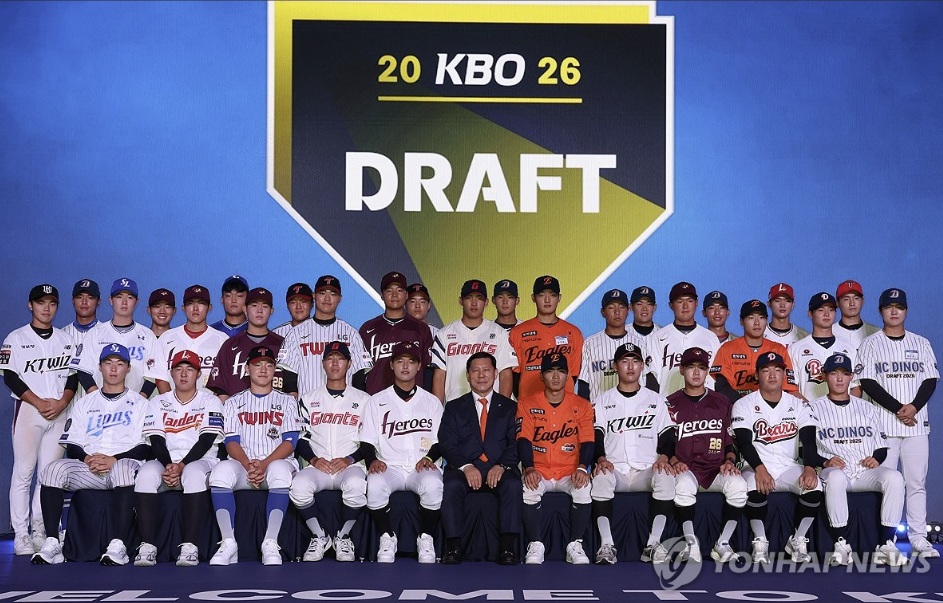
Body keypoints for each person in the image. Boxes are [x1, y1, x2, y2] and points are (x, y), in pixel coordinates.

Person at [31, 344, 150, 566]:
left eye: (119, 364)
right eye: (108, 363)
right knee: (52, 470)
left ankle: (118, 545)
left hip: (123, 466)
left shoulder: (141, 404)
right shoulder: (85, 403)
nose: (113, 369)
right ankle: (52, 542)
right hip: (91, 467)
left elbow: (147, 446)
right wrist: (86, 458)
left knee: (123, 470)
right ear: (100, 367)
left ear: (128, 368)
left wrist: (114, 459)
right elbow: (72, 444)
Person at [857, 288, 940, 558]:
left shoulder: (921, 342)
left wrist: (913, 407)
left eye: (899, 307)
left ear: (906, 310)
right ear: (880, 310)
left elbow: (930, 380)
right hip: (884, 428)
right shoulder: (870, 343)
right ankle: (887, 539)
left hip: (916, 425)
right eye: (889, 307)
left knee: (916, 483)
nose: (894, 311)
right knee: (887, 485)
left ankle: (919, 538)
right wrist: (899, 409)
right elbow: (868, 382)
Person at [809, 353, 906, 566]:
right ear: (824, 376)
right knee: (835, 478)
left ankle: (886, 544)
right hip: (835, 470)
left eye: (845, 373)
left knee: (895, 478)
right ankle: (841, 544)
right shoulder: (812, 408)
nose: (839, 378)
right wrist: (824, 462)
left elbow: (881, 446)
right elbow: (806, 449)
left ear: (852, 376)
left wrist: (876, 459)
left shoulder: (867, 408)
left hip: (864, 471)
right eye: (833, 373)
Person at [2, 284, 78, 554]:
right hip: (28, 411)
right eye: (41, 302)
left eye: (52, 303)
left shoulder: (65, 339)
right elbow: (10, 377)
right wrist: (38, 402)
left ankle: (40, 529)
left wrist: (62, 402)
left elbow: (73, 376)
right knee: (23, 473)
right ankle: (21, 533)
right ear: (30, 305)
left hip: (58, 411)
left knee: (48, 475)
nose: (46, 308)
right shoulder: (15, 338)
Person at [208, 346, 301, 566]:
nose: (263, 369)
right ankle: (229, 542)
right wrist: (248, 464)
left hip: (275, 464)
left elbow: (290, 441)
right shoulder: (233, 402)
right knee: (220, 472)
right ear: (247, 369)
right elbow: (231, 441)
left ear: (275, 370)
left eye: (269, 365)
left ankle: (270, 542)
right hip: (245, 466)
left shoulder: (288, 401)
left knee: (279, 470)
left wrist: (265, 464)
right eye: (257, 364)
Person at [133, 349, 224, 566]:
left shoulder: (211, 401)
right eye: (178, 369)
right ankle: (148, 545)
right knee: (145, 474)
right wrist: (169, 465)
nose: (183, 374)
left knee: (193, 474)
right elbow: (156, 440)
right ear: (171, 373)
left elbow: (206, 440)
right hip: (167, 460)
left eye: (189, 369)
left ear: (199, 374)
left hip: (202, 460)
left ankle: (190, 546)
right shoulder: (158, 402)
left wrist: (181, 465)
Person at [732, 352, 822, 564]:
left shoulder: (798, 404)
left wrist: (810, 468)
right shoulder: (743, 404)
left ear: (784, 374)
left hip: (788, 465)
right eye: (766, 370)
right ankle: (760, 540)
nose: (772, 375)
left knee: (815, 486)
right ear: (757, 375)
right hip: (755, 465)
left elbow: (809, 441)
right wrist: (759, 468)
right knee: (752, 485)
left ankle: (798, 539)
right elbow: (744, 442)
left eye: (777, 370)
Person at [358, 341, 444, 563]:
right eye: (400, 361)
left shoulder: (431, 402)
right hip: (391, 466)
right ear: (391, 365)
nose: (405, 366)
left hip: (420, 465)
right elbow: (366, 440)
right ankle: (387, 536)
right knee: (374, 485)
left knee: (433, 484)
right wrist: (372, 460)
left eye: (411, 361)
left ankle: (425, 537)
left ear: (419, 366)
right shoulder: (376, 401)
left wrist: (429, 457)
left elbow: (441, 441)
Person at [590, 344, 675, 565]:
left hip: (646, 469)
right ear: (615, 366)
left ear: (642, 366)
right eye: (625, 361)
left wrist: (664, 457)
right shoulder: (603, 400)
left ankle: (653, 544)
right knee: (600, 478)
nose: (630, 366)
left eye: (635, 361)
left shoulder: (656, 399)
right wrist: (600, 458)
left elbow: (668, 434)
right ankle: (606, 544)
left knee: (666, 477)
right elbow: (596, 435)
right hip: (615, 469)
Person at [289, 341, 370, 562]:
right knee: (298, 487)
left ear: (349, 364)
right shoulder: (308, 399)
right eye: (330, 359)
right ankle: (319, 535)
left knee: (356, 485)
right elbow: (300, 438)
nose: (335, 363)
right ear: (323, 363)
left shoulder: (364, 400)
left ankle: (343, 536)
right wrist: (314, 459)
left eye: (340, 359)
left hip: (350, 465)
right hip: (319, 465)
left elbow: (370, 440)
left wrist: (350, 459)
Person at [438, 352, 522, 565]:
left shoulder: (510, 407)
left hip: (499, 468)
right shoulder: (454, 407)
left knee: (513, 484)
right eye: (475, 371)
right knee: (451, 484)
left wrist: (502, 466)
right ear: (467, 375)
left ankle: (508, 547)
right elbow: (447, 443)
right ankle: (453, 546)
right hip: (465, 469)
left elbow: (516, 443)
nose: (481, 375)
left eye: (486, 370)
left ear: (495, 373)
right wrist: (466, 466)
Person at [667, 347, 747, 563]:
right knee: (682, 486)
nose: (696, 372)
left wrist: (730, 461)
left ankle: (722, 543)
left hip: (716, 467)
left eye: (701, 367)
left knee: (739, 486)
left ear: (707, 371)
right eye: (691, 367)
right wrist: (673, 460)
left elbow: (730, 440)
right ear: (681, 369)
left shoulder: (722, 402)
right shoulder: (670, 403)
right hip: (686, 467)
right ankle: (691, 544)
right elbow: (665, 442)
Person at [517, 353, 594, 565]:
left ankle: (575, 544)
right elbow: (523, 440)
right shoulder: (527, 404)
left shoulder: (582, 405)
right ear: (541, 376)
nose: (556, 376)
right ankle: (535, 543)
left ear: (568, 375)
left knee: (584, 487)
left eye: (561, 371)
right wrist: (529, 468)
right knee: (529, 488)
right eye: (550, 371)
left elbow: (588, 441)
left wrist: (582, 468)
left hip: (569, 470)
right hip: (540, 469)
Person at [278, 275, 373, 399]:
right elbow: (290, 378)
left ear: (340, 298)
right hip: (307, 406)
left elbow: (359, 376)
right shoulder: (295, 333)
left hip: (344, 407)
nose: (327, 298)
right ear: (314, 296)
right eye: (322, 293)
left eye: (333, 294)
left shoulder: (351, 334)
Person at [71, 278, 164, 396]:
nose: (124, 302)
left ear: (136, 302)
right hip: (100, 403)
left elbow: (153, 375)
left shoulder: (148, 335)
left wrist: (140, 400)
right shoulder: (95, 333)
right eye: (119, 297)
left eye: (130, 297)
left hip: (136, 402)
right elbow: (83, 371)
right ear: (111, 300)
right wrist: (98, 399)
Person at [431, 279, 516, 402]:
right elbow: (439, 377)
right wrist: (438, 409)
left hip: (489, 406)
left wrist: (501, 408)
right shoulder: (444, 334)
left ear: (486, 302)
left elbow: (505, 375)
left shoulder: (500, 333)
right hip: (454, 407)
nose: (474, 303)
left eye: (479, 298)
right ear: (460, 301)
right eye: (469, 298)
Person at [509, 275, 584, 400]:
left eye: (552, 295)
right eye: (542, 295)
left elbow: (574, 373)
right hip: (529, 403)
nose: (547, 300)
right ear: (533, 298)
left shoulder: (574, 332)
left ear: (559, 298)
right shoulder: (518, 332)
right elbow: (515, 374)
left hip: (564, 404)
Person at [359, 272, 433, 395]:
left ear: (406, 295)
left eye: (399, 290)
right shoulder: (367, 329)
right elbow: (359, 371)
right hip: (375, 399)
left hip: (412, 400)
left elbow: (428, 369)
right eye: (389, 290)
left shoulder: (421, 328)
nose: (394, 295)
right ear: (382, 295)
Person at [711, 300, 798, 403]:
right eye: (751, 318)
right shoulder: (727, 349)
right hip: (736, 406)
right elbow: (722, 386)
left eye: (761, 317)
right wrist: (745, 405)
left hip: (771, 408)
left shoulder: (778, 350)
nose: (757, 323)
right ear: (742, 321)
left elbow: (787, 388)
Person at [206, 287, 284, 402]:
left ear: (271, 311)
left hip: (276, 409)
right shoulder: (230, 345)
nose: (259, 310)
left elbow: (291, 386)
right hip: (237, 410)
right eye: (254, 305)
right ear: (245, 309)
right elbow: (221, 389)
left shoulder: (282, 344)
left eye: (265, 306)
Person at [577, 288, 650, 404]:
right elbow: (584, 383)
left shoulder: (639, 343)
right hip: (599, 409)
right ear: (603, 312)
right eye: (611, 307)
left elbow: (647, 380)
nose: (617, 312)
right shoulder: (590, 343)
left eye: (621, 307)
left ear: (628, 311)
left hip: (634, 409)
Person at [788, 292, 860, 401]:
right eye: (821, 310)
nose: (827, 314)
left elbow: (856, 387)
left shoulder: (849, 348)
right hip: (808, 410)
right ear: (810, 314)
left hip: (843, 410)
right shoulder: (796, 349)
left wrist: (846, 408)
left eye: (831, 310)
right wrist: (809, 409)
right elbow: (791, 389)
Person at [651, 282, 719, 395]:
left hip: (705, 402)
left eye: (690, 301)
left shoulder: (710, 337)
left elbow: (716, 376)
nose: (685, 306)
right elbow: (652, 376)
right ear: (671, 305)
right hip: (668, 401)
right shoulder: (659, 337)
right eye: (680, 301)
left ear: (696, 303)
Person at [155, 285, 228, 391]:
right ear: (183, 308)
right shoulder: (166, 337)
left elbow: (226, 379)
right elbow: (160, 377)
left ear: (209, 307)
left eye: (201, 303)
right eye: (190, 303)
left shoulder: (222, 339)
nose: (195, 308)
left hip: (211, 400)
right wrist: (170, 400)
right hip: (172, 400)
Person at [833, 280, 881, 349]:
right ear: (837, 303)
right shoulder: (829, 333)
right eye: (846, 299)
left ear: (862, 301)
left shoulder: (876, 333)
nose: (852, 303)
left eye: (856, 298)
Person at [765, 283, 809, 347]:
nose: (782, 305)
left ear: (793, 304)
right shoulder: (759, 334)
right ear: (769, 304)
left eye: (787, 301)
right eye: (777, 301)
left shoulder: (804, 337)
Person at [62, 279, 101, 350]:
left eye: (90, 297)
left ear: (98, 301)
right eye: (79, 297)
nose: (84, 302)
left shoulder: (107, 333)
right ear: (73, 301)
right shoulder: (61, 335)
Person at [629, 286, 660, 355]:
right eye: (639, 304)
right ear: (631, 307)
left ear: (654, 307)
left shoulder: (663, 334)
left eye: (649, 304)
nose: (644, 308)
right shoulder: (622, 333)